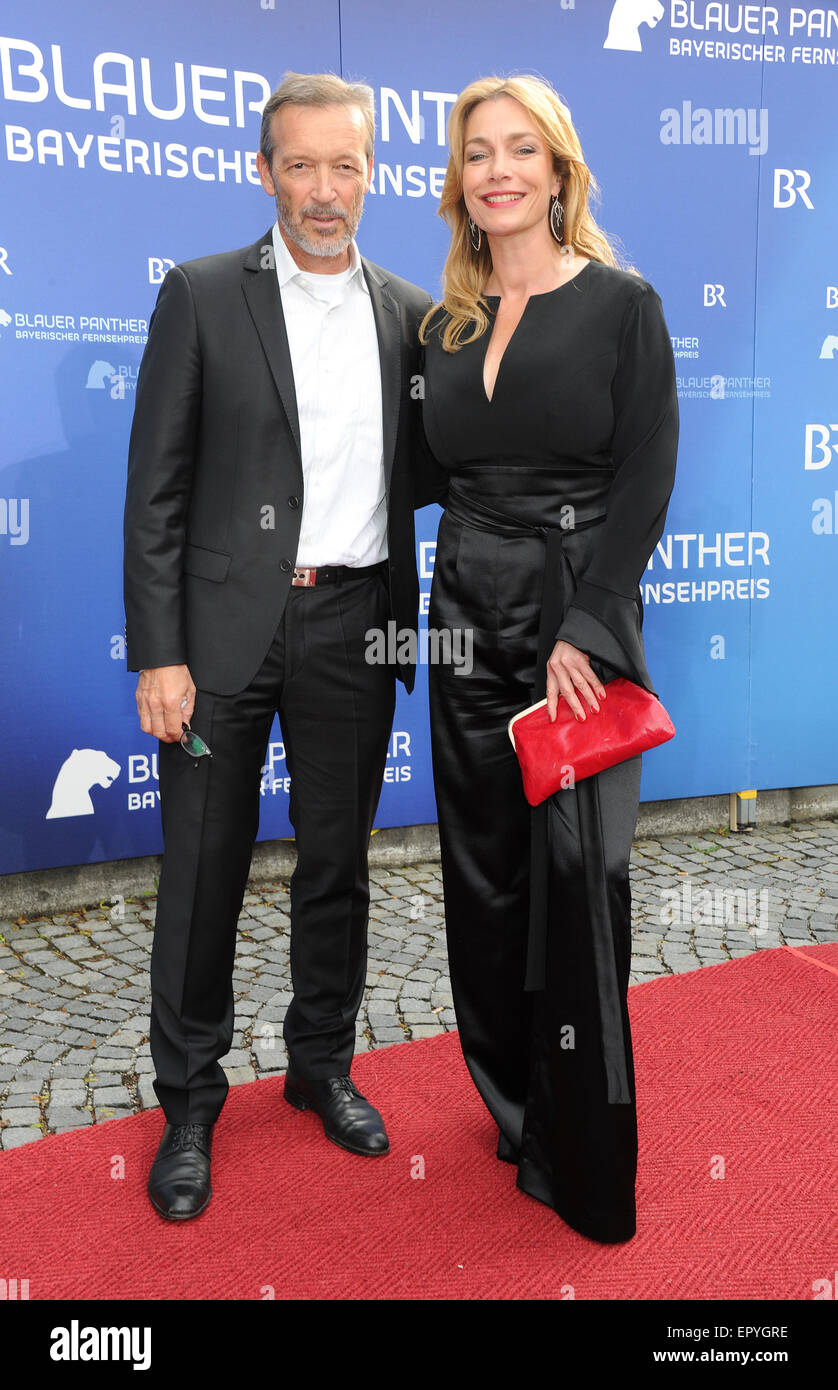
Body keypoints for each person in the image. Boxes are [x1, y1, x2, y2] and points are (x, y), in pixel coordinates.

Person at [123, 71, 433, 1220]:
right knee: (202, 875)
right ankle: (190, 1099)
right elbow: (153, 490)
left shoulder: (408, 310)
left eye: (342, 164)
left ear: (371, 172)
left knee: (338, 864)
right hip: (217, 641)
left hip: (355, 626)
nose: (321, 189)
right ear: (263, 173)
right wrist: (160, 651)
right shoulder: (202, 295)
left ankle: (321, 1065)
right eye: (298, 165)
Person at [417, 74, 679, 1243]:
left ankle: (585, 1153)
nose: (499, 170)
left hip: (574, 610)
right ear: (460, 182)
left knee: (578, 885)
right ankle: (516, 1105)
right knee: (481, 874)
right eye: (479, 153)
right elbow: (412, 478)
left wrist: (589, 620)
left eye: (522, 149)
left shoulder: (622, 305)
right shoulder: (443, 325)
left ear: (560, 171)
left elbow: (647, 474)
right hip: (461, 603)